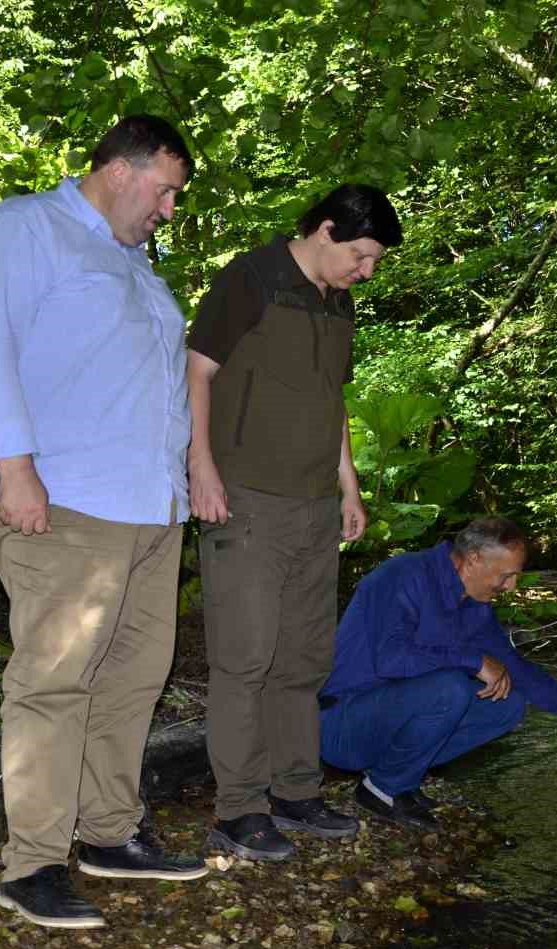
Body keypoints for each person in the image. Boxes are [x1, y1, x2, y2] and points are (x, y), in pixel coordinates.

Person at [0, 115, 209, 930]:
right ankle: (30, 864)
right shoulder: (27, 226)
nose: (170, 209)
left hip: (148, 508)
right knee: (55, 680)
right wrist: (14, 466)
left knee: (133, 680)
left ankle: (106, 833)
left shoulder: (136, 268)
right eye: (166, 190)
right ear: (120, 171)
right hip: (63, 500)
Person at [186, 185, 403, 860]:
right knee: (245, 659)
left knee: (303, 660)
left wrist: (349, 486)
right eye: (361, 256)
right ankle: (239, 810)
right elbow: (195, 372)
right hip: (245, 499)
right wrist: (202, 468)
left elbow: (332, 399)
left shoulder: (341, 302)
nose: (365, 271)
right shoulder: (251, 278)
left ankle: (296, 792)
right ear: (327, 230)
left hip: (314, 506)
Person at [319, 517, 557, 830]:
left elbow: (513, 667)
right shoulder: (402, 576)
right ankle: (381, 789)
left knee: (508, 704)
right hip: (341, 723)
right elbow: (391, 661)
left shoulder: (471, 604)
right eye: (507, 575)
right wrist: (473, 661)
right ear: (474, 559)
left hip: (384, 720)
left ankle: (399, 777)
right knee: (451, 688)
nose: (510, 586)